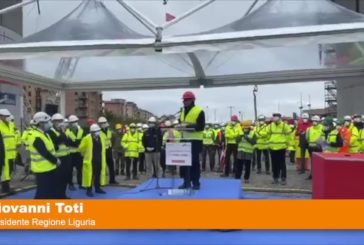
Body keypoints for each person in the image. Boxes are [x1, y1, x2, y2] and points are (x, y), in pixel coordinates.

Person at [178, 91, 205, 190]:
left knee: (194, 162)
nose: (184, 102)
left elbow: (201, 126)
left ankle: (196, 182)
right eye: (184, 100)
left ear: (192, 100)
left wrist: (187, 126)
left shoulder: (199, 111)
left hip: (195, 140)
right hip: (184, 139)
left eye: (187, 100)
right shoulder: (182, 111)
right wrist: (178, 126)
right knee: (184, 162)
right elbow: (180, 123)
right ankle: (186, 181)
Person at [30, 112, 60, 199]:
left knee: (49, 192)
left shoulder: (44, 134)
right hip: (42, 169)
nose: (49, 124)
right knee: (42, 193)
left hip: (49, 167)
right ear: (40, 123)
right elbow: (45, 152)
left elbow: (50, 148)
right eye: (46, 122)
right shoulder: (35, 136)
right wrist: (56, 160)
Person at [79, 124, 107, 197]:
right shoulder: (87, 138)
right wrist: (85, 155)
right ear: (91, 132)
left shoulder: (101, 137)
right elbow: (81, 148)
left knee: (97, 174)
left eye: (98, 131)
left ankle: (97, 188)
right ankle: (89, 190)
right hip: (90, 161)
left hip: (99, 159)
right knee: (89, 176)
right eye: (96, 131)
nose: (98, 133)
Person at [48, 113, 71, 199]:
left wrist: (63, 134)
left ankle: (62, 195)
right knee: (58, 178)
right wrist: (62, 134)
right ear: (53, 122)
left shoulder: (63, 131)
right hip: (58, 158)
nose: (60, 123)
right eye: (57, 121)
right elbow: (57, 141)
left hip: (66, 157)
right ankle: (56, 196)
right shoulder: (50, 132)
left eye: (61, 121)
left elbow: (66, 141)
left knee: (65, 177)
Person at [265, 113, 291, 185]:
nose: (275, 118)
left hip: (282, 148)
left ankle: (283, 178)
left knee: (282, 164)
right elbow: (267, 135)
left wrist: (288, 148)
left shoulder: (284, 126)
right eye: (274, 117)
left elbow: (289, 137)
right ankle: (275, 178)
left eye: (276, 117)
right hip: (272, 148)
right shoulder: (270, 126)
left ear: (280, 118)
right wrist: (268, 144)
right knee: (274, 164)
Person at [65, 115, 84, 190]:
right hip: (70, 154)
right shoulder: (67, 132)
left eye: (76, 121)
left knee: (80, 170)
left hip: (79, 154)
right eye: (73, 122)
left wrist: (75, 142)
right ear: (70, 123)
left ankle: (80, 183)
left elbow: (82, 141)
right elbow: (68, 142)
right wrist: (76, 143)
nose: (75, 123)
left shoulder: (81, 131)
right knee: (69, 170)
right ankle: (70, 184)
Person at [98, 116, 118, 184]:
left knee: (111, 166)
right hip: (102, 151)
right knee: (102, 167)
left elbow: (113, 139)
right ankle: (102, 181)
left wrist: (112, 147)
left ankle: (112, 180)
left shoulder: (109, 131)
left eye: (103, 123)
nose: (102, 124)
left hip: (109, 150)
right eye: (101, 123)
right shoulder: (98, 132)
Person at [0, 109, 16, 194]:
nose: (8, 118)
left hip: (11, 153)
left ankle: (6, 187)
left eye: (8, 116)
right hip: (3, 153)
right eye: (6, 116)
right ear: (1, 116)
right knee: (4, 172)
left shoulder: (11, 124)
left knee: (9, 170)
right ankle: (5, 188)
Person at [306, 115, 324, 180]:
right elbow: (307, 138)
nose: (314, 122)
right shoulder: (309, 129)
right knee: (312, 162)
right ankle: (312, 174)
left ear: (319, 121)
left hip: (319, 148)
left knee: (319, 162)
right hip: (311, 148)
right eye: (313, 121)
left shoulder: (323, 128)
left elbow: (324, 137)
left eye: (316, 121)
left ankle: (319, 175)